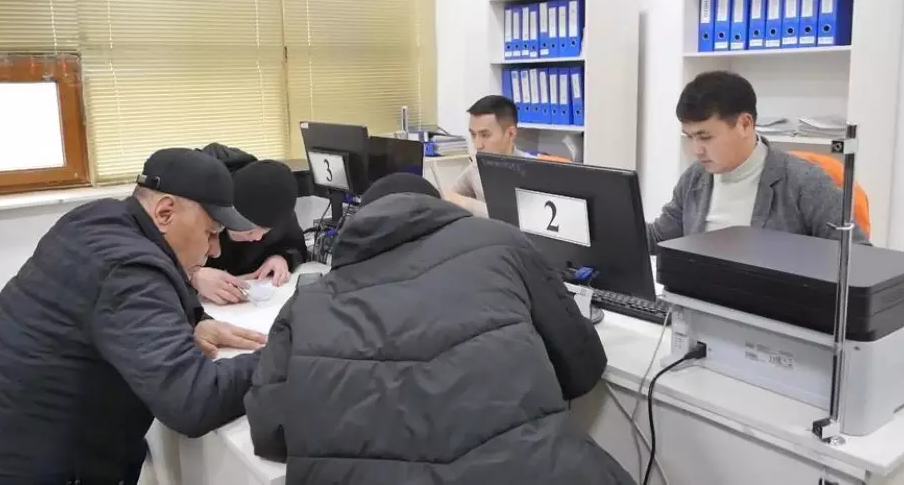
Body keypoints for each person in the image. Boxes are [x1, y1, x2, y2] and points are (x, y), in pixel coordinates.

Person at [245, 172, 635, 485]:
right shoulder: (503, 243)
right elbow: (582, 366)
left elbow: (270, 429)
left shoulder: (308, 302)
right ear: (439, 209)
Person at [0, 148, 269, 485]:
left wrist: (193, 321)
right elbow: (193, 400)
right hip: (8, 470)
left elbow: (113, 305)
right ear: (164, 212)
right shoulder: (128, 269)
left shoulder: (96, 219)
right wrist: (281, 352)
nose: (215, 249)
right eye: (211, 233)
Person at [647, 70, 870, 252]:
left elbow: (860, 258)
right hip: (699, 292)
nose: (696, 150)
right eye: (689, 137)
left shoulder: (806, 183)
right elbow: (659, 237)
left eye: (705, 137)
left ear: (745, 124)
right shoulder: (694, 177)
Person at [191, 143, 307, 304]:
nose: (258, 238)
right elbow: (159, 259)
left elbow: (294, 244)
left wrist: (281, 258)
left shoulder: (271, 195)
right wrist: (192, 276)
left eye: (265, 232)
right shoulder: (193, 205)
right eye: (250, 231)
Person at [445, 95, 532, 217]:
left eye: (485, 135)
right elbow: (449, 196)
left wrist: (468, 204)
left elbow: (517, 219)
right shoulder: (477, 166)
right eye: (473, 135)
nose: (477, 145)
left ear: (510, 134)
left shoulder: (532, 171)